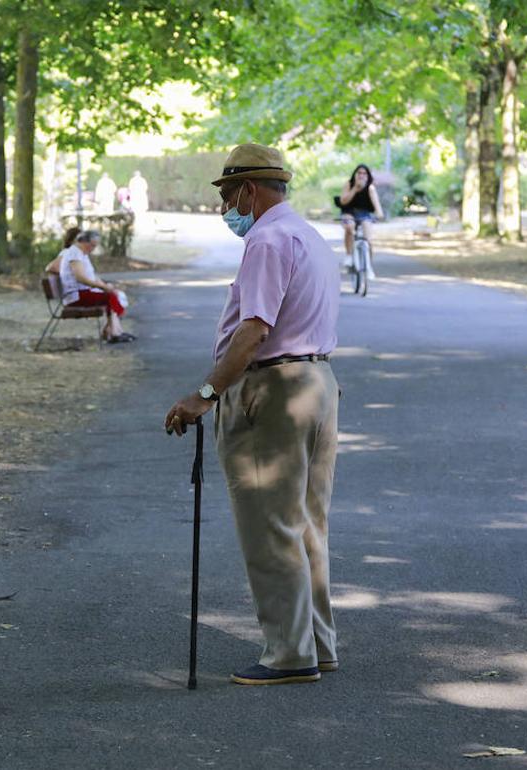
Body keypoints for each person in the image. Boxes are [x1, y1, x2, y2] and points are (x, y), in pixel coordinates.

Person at [164, 143, 340, 686]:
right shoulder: (307, 235)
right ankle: (317, 643)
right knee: (306, 524)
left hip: (272, 389)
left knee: (269, 526)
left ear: (249, 189)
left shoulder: (266, 240)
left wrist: (205, 393)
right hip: (316, 383)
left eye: (226, 195)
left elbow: (253, 329)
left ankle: (288, 655)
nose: (223, 209)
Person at [46, 228, 134, 343]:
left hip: (80, 293)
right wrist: (102, 287)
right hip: (75, 296)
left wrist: (105, 286)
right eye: (92, 245)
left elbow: (90, 276)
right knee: (110, 297)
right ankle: (114, 332)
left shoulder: (81, 253)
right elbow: (81, 278)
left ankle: (114, 331)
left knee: (112, 295)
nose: (93, 249)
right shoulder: (74, 254)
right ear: (83, 242)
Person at [336, 163, 385, 278]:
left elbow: (377, 206)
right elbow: (343, 201)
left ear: (368, 176)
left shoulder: (370, 188)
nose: (361, 175)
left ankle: (368, 266)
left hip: (364, 214)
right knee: (349, 227)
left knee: (368, 240)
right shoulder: (349, 184)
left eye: (364, 173)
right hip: (348, 212)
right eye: (359, 173)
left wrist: (379, 215)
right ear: (355, 174)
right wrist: (355, 189)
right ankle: (349, 255)